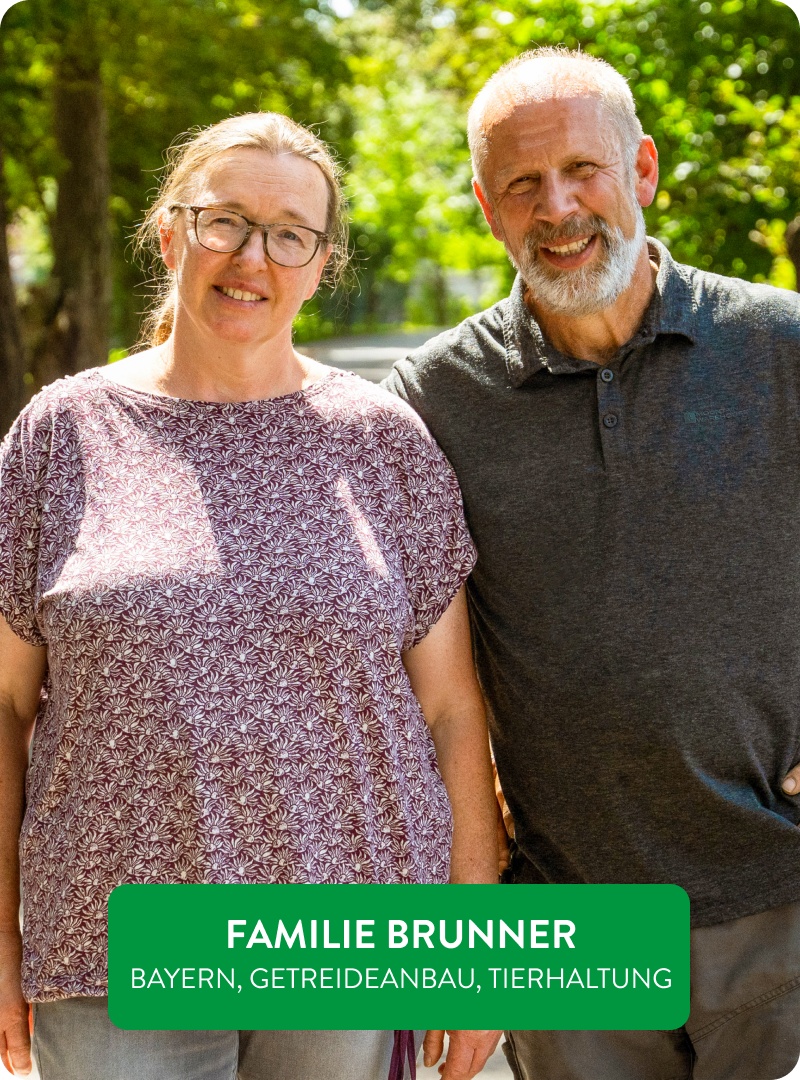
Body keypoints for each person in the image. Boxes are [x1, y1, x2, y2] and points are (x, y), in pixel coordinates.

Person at [0, 111, 502, 1080]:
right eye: (223, 220)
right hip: (112, 941)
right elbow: (7, 703)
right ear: (169, 232)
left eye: (288, 235)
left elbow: (450, 711)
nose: (251, 257)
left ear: (320, 265)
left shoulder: (384, 444)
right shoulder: (59, 436)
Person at [384, 47, 800, 1080]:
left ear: (643, 172)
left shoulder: (778, 345)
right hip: (567, 922)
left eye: (582, 171)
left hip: (781, 895)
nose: (557, 208)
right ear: (486, 207)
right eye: (521, 184)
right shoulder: (432, 401)